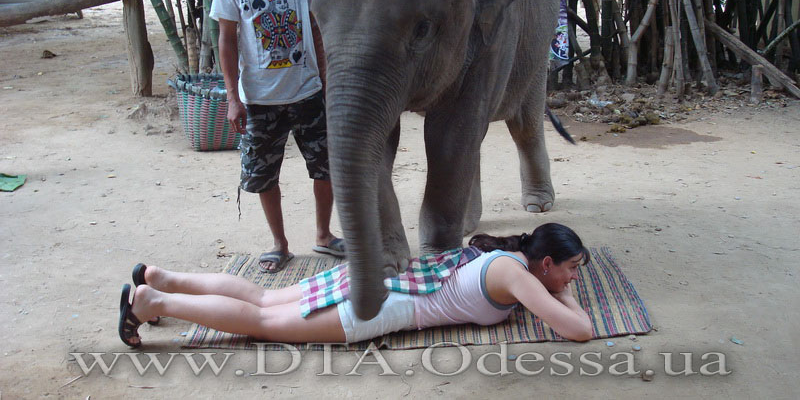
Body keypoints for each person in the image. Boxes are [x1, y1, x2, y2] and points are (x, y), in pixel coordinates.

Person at [117, 223, 594, 347]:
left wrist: (555, 283)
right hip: (384, 304)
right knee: (262, 320)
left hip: (378, 277)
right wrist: (562, 292)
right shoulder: (516, 274)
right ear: (545, 262)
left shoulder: (508, 257)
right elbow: (578, 330)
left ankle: (160, 278)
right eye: (571, 268)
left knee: (264, 298)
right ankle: (155, 301)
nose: (572, 279)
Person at [210, 0, 343, 273]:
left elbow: (317, 28)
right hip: (260, 98)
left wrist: (327, 78)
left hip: (309, 91)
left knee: (326, 166)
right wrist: (233, 98)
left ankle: (323, 234)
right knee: (264, 174)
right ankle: (279, 244)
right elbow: (227, 40)